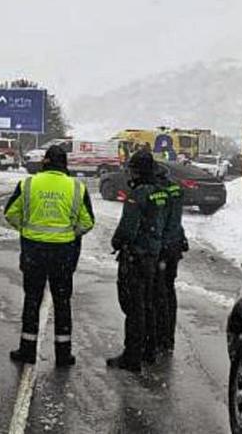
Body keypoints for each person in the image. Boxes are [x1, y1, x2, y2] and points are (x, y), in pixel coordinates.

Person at [3, 144, 95, 366]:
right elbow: (87, 222)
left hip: (34, 251)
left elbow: (10, 213)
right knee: (62, 302)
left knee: (32, 299)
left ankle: (27, 350)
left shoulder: (28, 184)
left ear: (45, 162)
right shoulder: (77, 187)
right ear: (65, 164)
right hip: (63, 254)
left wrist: (26, 230)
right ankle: (63, 354)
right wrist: (70, 234)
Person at [107, 149, 167, 372]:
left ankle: (132, 356)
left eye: (131, 170)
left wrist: (116, 242)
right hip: (153, 255)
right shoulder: (159, 192)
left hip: (136, 256)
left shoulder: (138, 194)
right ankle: (149, 350)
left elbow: (128, 228)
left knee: (133, 307)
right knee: (148, 304)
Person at [153, 163, 186, 357]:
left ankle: (160, 338)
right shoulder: (176, 190)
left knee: (158, 293)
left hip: (162, 248)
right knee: (168, 291)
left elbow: (159, 221)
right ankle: (168, 338)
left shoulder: (160, 193)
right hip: (174, 246)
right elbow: (176, 221)